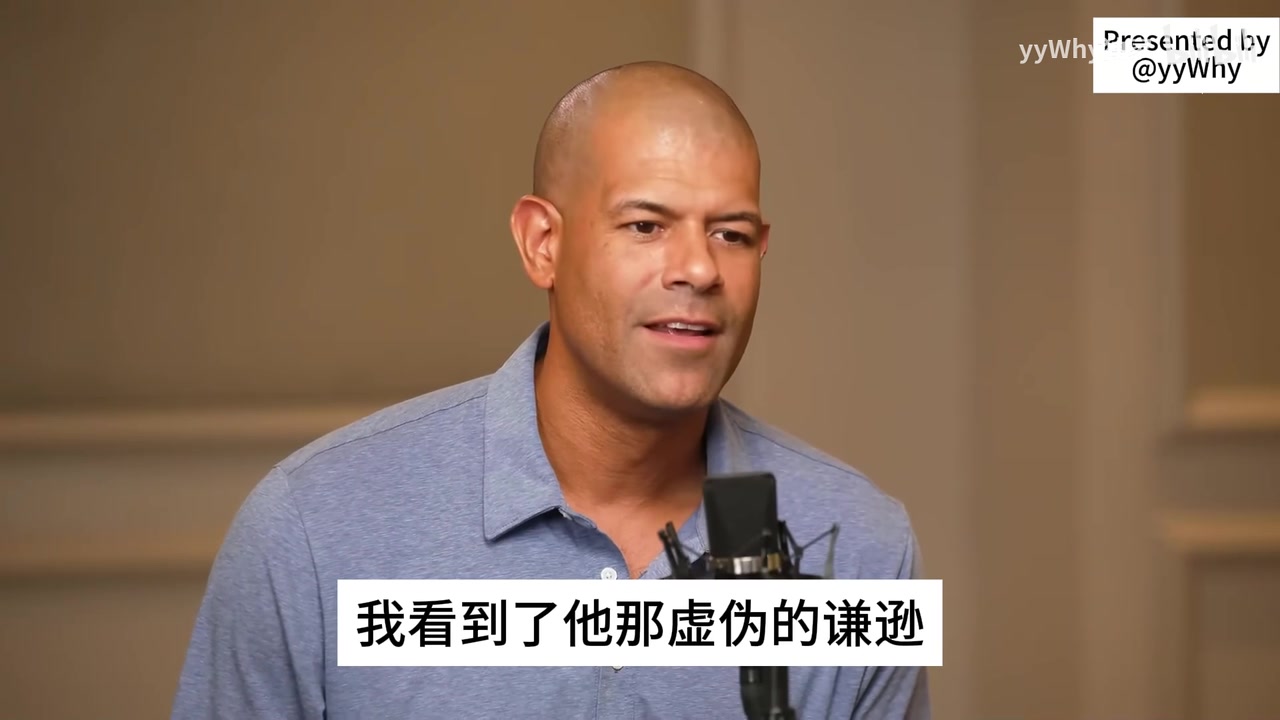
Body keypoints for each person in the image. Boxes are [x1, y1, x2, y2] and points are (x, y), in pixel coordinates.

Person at [171, 60, 930, 719]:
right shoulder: (314, 527)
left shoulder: (861, 549)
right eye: (646, 225)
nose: (700, 269)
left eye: (730, 234)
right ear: (544, 244)